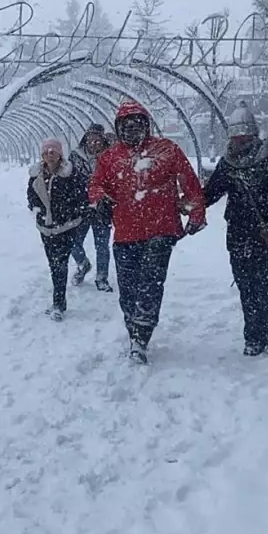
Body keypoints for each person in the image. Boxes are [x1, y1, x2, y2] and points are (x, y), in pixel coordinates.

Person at [89, 100, 207, 364]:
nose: (131, 129)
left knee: (151, 284)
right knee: (129, 289)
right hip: (125, 233)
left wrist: (196, 213)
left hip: (161, 230)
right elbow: (97, 185)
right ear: (118, 128)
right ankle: (133, 328)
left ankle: (142, 334)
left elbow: (190, 183)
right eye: (125, 125)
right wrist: (99, 200)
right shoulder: (110, 157)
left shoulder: (166, 150)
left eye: (137, 123)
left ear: (146, 124)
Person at [204, 104, 268, 356]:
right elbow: (211, 192)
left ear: (253, 133)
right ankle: (253, 335)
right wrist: (187, 203)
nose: (239, 139)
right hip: (239, 234)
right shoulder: (228, 163)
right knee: (246, 285)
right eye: (235, 135)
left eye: (244, 134)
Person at [27, 138, 90, 321]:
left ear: (60, 153)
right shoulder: (36, 174)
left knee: (59, 264)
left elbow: (81, 197)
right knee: (54, 263)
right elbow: (31, 195)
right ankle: (58, 301)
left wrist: (69, 212)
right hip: (46, 227)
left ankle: (58, 304)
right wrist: (37, 209)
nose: (50, 154)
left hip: (65, 227)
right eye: (46, 151)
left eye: (53, 151)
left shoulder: (71, 174)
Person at [68, 124, 114, 291]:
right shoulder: (76, 156)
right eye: (91, 139)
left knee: (102, 245)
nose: (94, 143)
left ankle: (102, 278)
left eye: (97, 139)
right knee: (73, 242)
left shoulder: (110, 156)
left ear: (103, 140)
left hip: (103, 207)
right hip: (81, 206)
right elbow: (68, 178)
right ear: (85, 139)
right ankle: (83, 264)